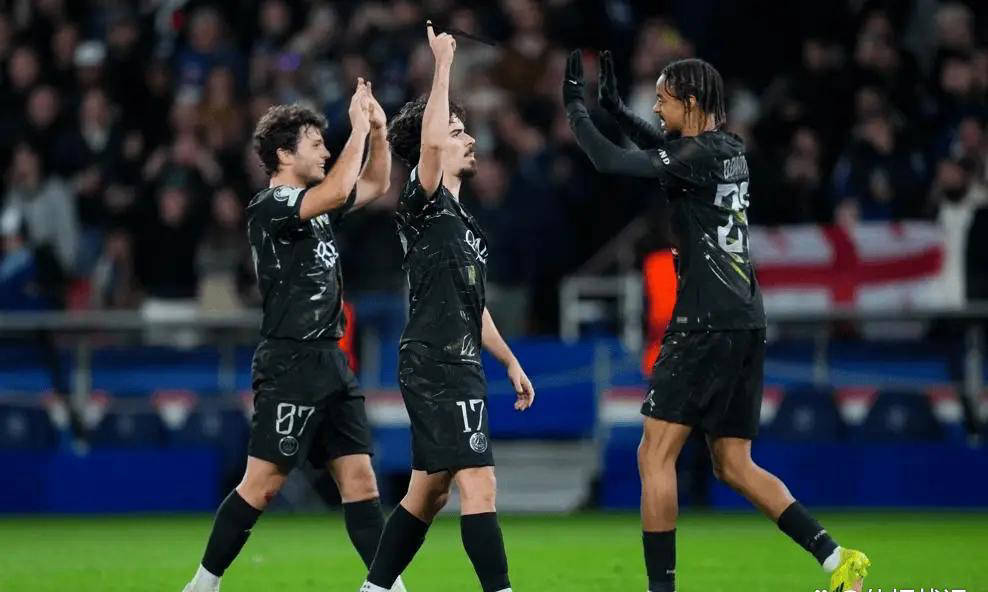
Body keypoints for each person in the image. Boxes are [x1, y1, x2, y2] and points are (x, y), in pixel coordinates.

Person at [563, 50, 871, 592]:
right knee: (732, 462)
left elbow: (613, 162)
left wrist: (576, 109)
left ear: (690, 102)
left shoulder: (697, 155)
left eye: (662, 100)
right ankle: (835, 557)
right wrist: (616, 109)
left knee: (654, 454)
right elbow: (666, 151)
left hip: (704, 320)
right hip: (745, 318)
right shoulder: (728, 150)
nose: (656, 109)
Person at [182, 80, 404, 592]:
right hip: (291, 361)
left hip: (331, 360)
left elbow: (373, 184)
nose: (325, 151)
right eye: (316, 143)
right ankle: (203, 584)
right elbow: (340, 188)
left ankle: (385, 587)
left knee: (361, 481)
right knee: (262, 485)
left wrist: (378, 131)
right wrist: (355, 128)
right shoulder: (270, 206)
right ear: (284, 154)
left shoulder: (316, 208)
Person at [357, 22, 535, 592]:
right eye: (459, 131)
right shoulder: (423, 200)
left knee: (428, 491)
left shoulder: (465, 226)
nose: (470, 140)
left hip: (458, 360)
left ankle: (374, 588)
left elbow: (473, 307)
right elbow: (431, 143)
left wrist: (509, 360)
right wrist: (442, 64)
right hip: (436, 362)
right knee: (478, 482)